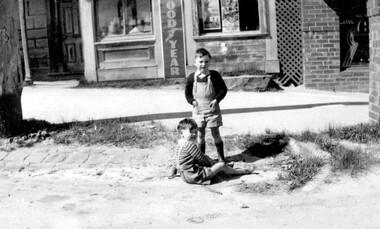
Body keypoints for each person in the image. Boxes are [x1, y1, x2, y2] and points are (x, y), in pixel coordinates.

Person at [168, 118, 252, 185]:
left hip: (185, 177)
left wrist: (173, 172)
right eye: (191, 132)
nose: (194, 134)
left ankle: (226, 167)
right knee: (221, 165)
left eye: (195, 132)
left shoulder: (180, 145)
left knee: (209, 160)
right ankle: (240, 171)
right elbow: (202, 160)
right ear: (181, 133)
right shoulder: (190, 145)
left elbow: (175, 161)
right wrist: (213, 166)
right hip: (194, 176)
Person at [185, 48, 228, 162]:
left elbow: (223, 89)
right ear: (195, 63)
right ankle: (201, 158)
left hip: (212, 111)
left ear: (209, 62)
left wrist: (216, 100)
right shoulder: (191, 78)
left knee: (215, 133)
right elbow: (187, 93)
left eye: (206, 61)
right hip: (198, 111)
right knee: (200, 135)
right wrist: (192, 101)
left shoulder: (214, 75)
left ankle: (221, 158)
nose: (203, 64)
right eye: (200, 62)